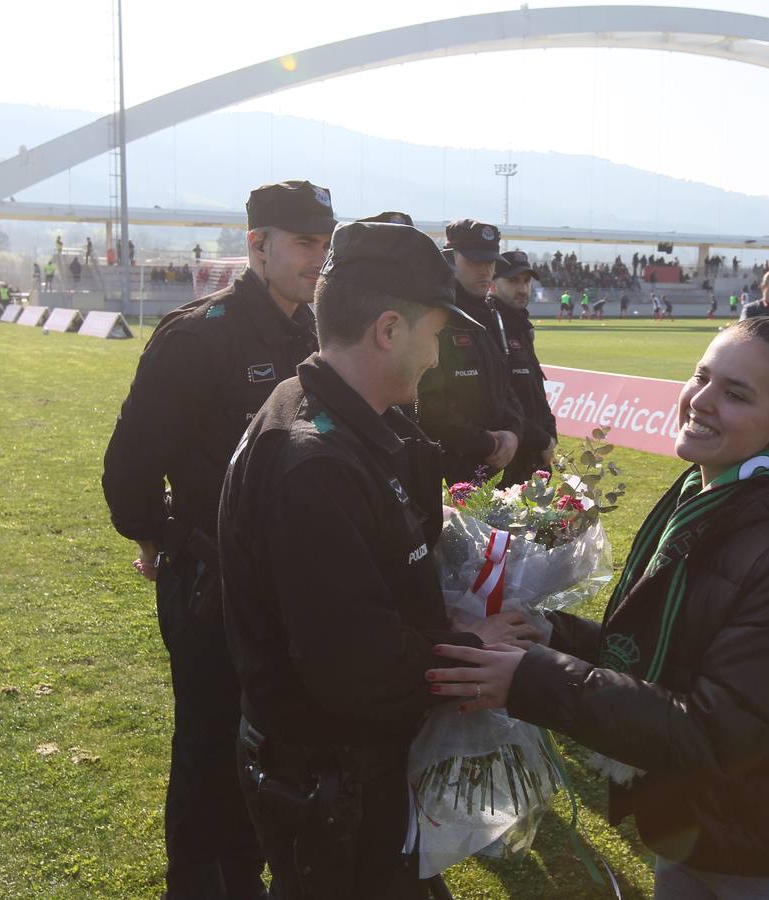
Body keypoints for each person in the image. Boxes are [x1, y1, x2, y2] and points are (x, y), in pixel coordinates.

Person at [429, 316, 769, 898]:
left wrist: (532, 679)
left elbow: (717, 726)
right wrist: (551, 635)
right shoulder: (708, 497)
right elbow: (670, 653)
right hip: (704, 827)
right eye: (703, 376)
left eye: (737, 394)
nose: (703, 400)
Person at [219, 220, 539, 899]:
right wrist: (468, 647)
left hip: (351, 775)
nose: (434, 358)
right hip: (331, 785)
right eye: (432, 336)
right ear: (388, 330)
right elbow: (356, 668)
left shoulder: (351, 421)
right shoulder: (313, 464)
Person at [101, 180, 336, 897]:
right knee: (209, 747)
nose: (316, 259)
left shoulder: (314, 334)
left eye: (324, 243)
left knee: (274, 736)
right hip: (211, 586)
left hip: (287, 586)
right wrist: (160, 539)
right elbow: (130, 467)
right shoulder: (199, 335)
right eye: (303, 243)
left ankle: (250, 873)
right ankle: (202, 883)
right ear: (256, 245)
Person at [415, 218, 524, 487]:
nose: (485, 270)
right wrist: (489, 442)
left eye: (490, 262)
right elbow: (429, 404)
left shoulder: (491, 316)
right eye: (475, 261)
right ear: (451, 259)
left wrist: (514, 433)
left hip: (497, 468)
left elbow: (506, 386)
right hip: (452, 473)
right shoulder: (437, 317)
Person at [492, 249, 557, 485]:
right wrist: (542, 440)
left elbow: (535, 393)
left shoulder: (521, 327)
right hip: (510, 456)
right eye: (512, 281)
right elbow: (502, 403)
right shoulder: (491, 328)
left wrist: (550, 436)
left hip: (535, 454)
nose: (522, 289)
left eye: (526, 281)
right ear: (492, 284)